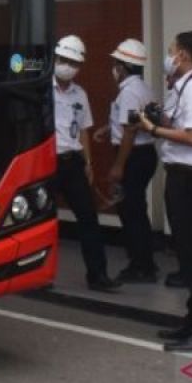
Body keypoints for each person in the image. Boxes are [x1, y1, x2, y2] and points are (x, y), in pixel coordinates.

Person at [137, 30, 192, 352]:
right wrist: (161, 116)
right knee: (187, 254)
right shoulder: (185, 86)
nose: (169, 55)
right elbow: (182, 123)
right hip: (181, 177)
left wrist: (154, 129)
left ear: (183, 55)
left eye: (172, 50)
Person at [52, 35, 121, 293]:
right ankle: (36, 275)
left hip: (73, 164)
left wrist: (88, 162)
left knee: (89, 219)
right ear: (55, 58)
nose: (67, 66)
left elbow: (83, 130)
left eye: (73, 62)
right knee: (41, 222)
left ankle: (98, 275)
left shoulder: (80, 93)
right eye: (64, 60)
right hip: (45, 163)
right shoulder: (41, 88)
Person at [101, 38, 159, 283]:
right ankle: (146, 262)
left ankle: (140, 266)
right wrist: (108, 128)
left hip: (133, 157)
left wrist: (118, 166)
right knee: (137, 209)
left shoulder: (128, 92)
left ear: (123, 67)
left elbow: (130, 132)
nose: (113, 68)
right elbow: (134, 122)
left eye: (116, 64)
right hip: (146, 155)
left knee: (131, 211)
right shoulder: (144, 89)